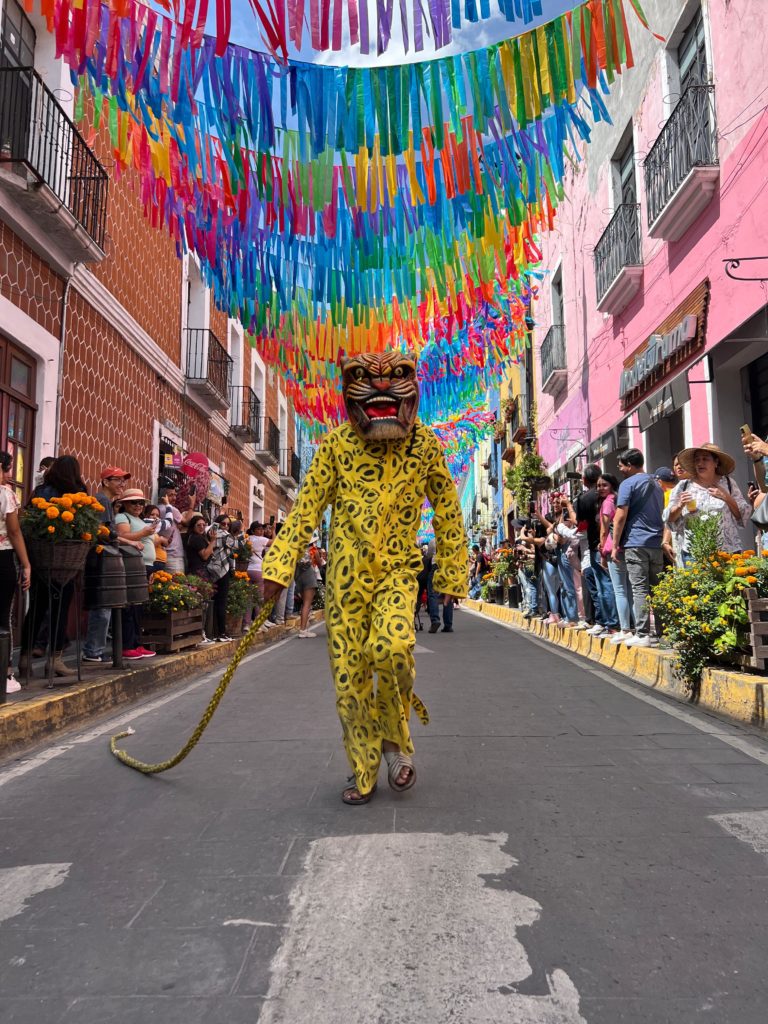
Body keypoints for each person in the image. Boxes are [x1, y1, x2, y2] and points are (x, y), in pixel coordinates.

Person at [262, 350, 467, 805]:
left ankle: (396, 744)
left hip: (398, 570)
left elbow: (449, 510)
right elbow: (307, 509)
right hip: (345, 582)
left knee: (392, 648)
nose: (380, 387)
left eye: (395, 376)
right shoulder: (335, 446)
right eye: (363, 378)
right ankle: (364, 768)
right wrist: (278, 567)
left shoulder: (426, 445)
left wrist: (451, 571)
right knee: (350, 680)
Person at [19, 455, 89, 679]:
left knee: (36, 609)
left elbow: (29, 520)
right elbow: (83, 525)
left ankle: (24, 658)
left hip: (41, 559)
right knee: (59, 611)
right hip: (65, 561)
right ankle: (55, 660)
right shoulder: (78, 492)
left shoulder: (41, 491)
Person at [82, 466, 140, 665]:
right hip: (101, 556)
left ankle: (94, 649)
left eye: (123, 480)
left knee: (104, 606)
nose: (122, 484)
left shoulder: (106, 501)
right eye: (117, 480)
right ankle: (93, 650)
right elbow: (102, 530)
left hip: (103, 556)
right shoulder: (102, 500)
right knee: (103, 606)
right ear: (106, 482)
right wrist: (127, 541)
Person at [612, 449, 664, 648]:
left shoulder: (628, 484)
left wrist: (615, 544)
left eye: (622, 465)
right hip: (656, 542)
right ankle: (660, 632)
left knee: (639, 588)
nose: (620, 469)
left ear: (630, 465)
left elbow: (620, 516)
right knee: (657, 588)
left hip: (636, 542)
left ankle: (642, 633)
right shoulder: (656, 484)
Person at [665, 443, 751, 558]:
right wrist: (680, 505)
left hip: (727, 551)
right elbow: (669, 519)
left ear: (716, 462)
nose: (700, 463)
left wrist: (727, 497)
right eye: (697, 460)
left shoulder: (728, 483)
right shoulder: (684, 486)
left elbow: (741, 516)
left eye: (705, 459)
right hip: (695, 552)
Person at [114, 489, 157, 661]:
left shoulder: (140, 519)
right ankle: (128, 645)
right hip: (132, 564)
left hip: (146, 565)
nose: (138, 505)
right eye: (134, 502)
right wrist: (144, 533)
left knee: (139, 606)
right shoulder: (122, 518)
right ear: (125, 503)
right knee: (130, 605)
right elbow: (122, 536)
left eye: (141, 503)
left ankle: (137, 643)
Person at [0, 451, 30, 693]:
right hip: (2, 558)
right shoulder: (6, 494)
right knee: (3, 617)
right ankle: (5, 673)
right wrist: (26, 564)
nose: (10, 475)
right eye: (9, 469)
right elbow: (14, 532)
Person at [598, 473, 633, 645]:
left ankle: (625, 628)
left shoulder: (607, 503)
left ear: (612, 485)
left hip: (612, 547)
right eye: (598, 485)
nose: (600, 488)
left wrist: (603, 551)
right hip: (626, 545)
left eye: (604, 485)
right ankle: (636, 627)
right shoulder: (620, 500)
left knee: (619, 590)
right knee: (631, 589)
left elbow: (604, 529)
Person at [185, 514, 216, 645]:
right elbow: (204, 555)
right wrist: (213, 541)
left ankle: (200, 633)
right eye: (199, 525)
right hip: (199, 572)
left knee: (203, 603)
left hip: (201, 571)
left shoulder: (200, 538)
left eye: (204, 525)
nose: (202, 527)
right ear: (193, 526)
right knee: (202, 603)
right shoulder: (196, 538)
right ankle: (199, 634)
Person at [158, 486, 185, 574]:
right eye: (171, 495)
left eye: (175, 495)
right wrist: (192, 505)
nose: (174, 498)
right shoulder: (171, 509)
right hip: (173, 555)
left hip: (161, 555)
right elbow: (187, 522)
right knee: (178, 585)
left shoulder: (156, 509)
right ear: (163, 497)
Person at [294, 543, 318, 638]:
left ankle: (304, 628)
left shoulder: (295, 550)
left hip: (298, 576)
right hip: (308, 577)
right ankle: (303, 630)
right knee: (307, 604)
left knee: (305, 604)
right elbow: (318, 562)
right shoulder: (309, 551)